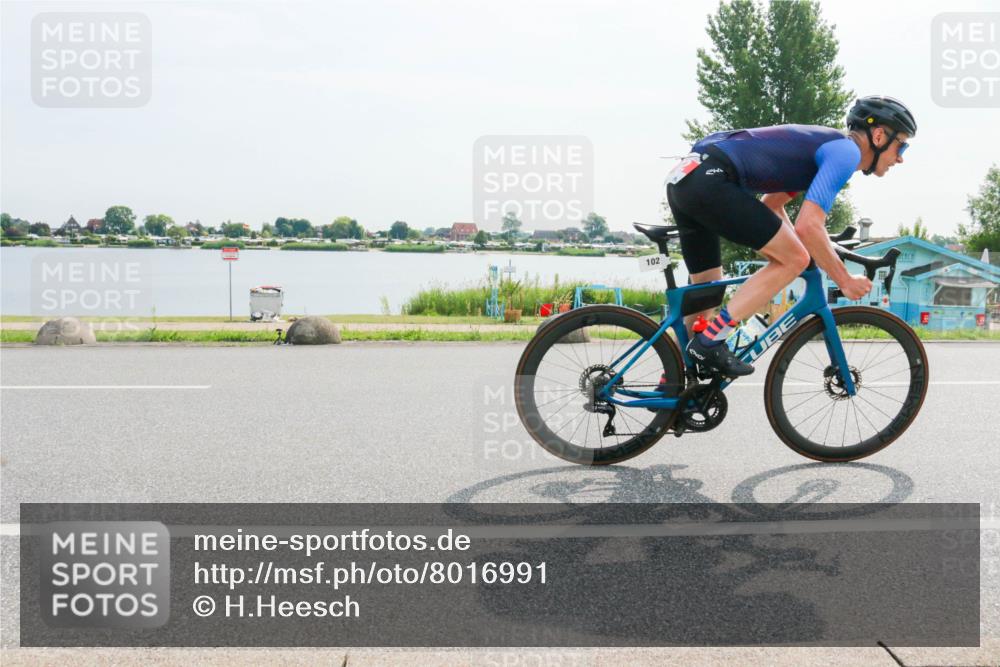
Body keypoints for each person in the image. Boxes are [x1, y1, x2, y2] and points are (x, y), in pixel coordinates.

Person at [665, 95, 916, 376]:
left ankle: (671, 383)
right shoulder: (847, 153)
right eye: (901, 144)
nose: (901, 157)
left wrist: (814, 248)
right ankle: (713, 339)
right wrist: (843, 279)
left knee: (706, 294)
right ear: (879, 135)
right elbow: (808, 226)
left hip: (687, 180)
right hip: (711, 179)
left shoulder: (822, 148)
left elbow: (772, 205)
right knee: (794, 259)